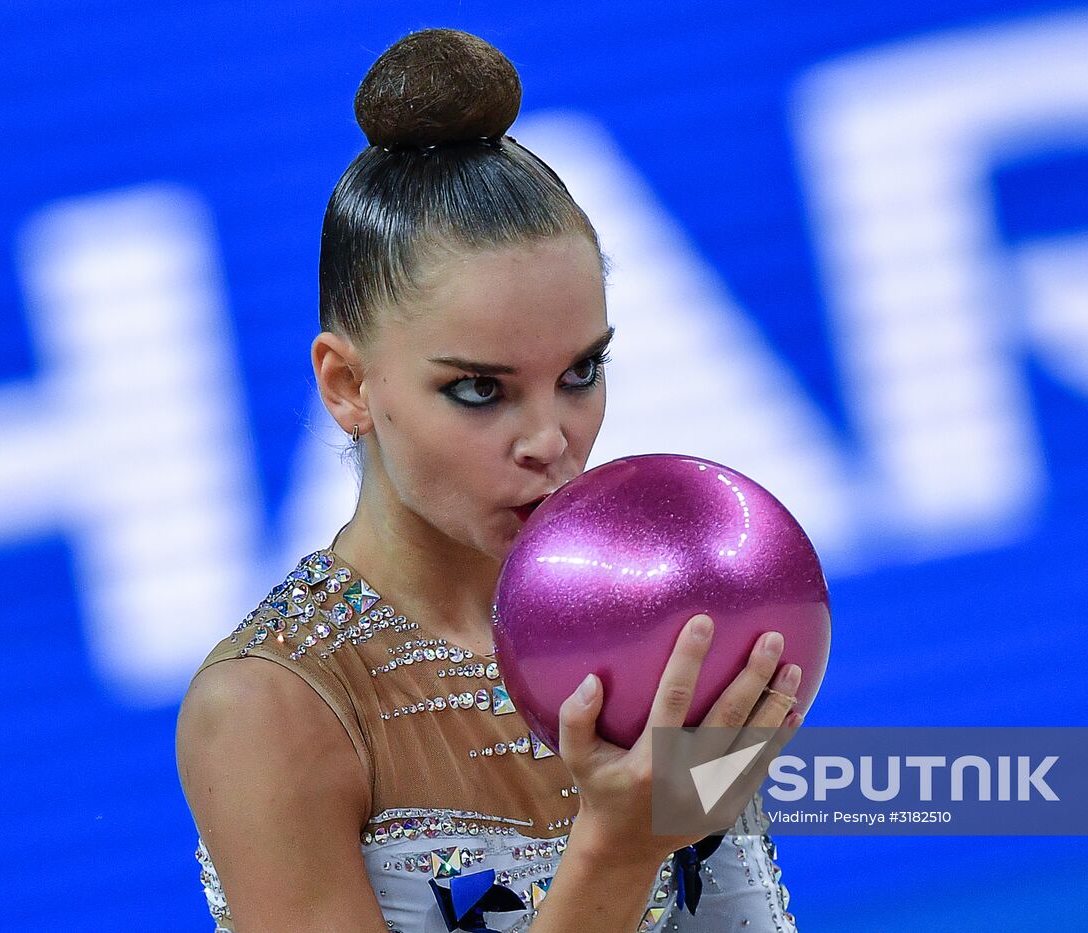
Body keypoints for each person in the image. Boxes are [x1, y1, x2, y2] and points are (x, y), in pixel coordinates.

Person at [176, 27, 803, 933]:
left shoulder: (666, 610)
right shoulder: (271, 710)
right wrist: (618, 850)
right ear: (348, 385)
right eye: (480, 389)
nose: (550, 440)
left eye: (581, 373)